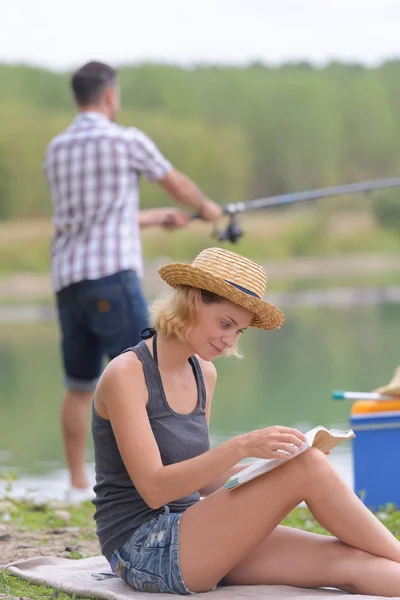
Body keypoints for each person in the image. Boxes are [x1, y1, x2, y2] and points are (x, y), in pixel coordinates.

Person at [92, 247, 400, 597]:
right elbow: (155, 490)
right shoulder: (127, 374)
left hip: (197, 531)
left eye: (238, 331)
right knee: (308, 466)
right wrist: (241, 446)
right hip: (144, 546)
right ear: (192, 302)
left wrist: (269, 466)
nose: (229, 340)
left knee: (349, 561)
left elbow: (203, 482)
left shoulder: (203, 373)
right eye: (225, 323)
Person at [44, 61, 221, 500]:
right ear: (110, 96)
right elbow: (176, 184)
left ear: (76, 98)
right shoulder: (126, 140)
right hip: (112, 277)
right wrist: (208, 207)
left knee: (79, 385)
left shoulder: (57, 148)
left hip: (68, 280)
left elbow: (92, 216)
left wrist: (157, 218)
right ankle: (157, 478)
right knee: (147, 374)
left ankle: (76, 484)